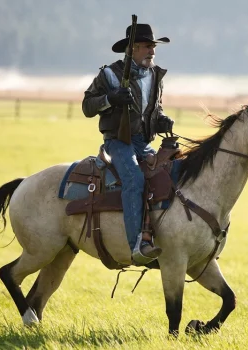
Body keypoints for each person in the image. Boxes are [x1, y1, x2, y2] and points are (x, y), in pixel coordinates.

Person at [82, 23, 174, 265]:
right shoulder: (110, 75)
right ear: (132, 49)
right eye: (147, 46)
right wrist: (110, 99)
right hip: (117, 142)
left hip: (143, 142)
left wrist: (161, 121)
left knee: (170, 172)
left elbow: (155, 109)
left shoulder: (155, 75)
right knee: (134, 178)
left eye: (154, 46)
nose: (152, 51)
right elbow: (87, 106)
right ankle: (138, 245)